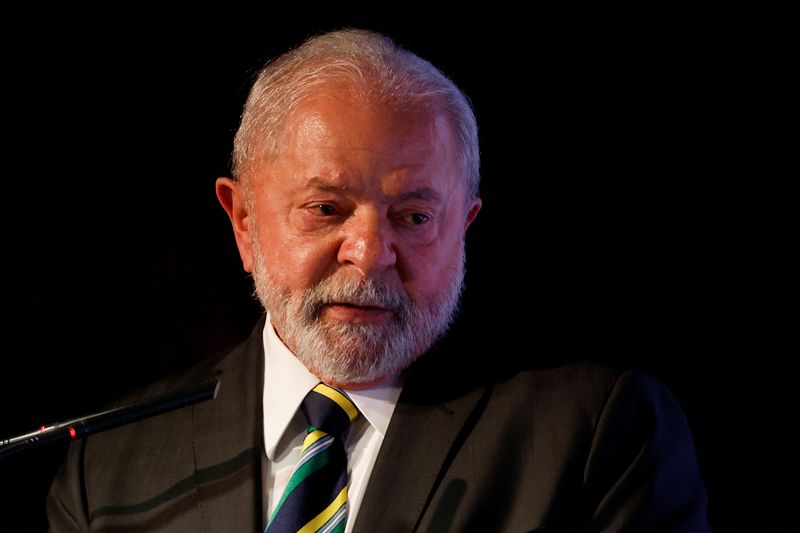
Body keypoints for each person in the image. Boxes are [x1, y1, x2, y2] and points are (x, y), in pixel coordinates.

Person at [46, 28, 711, 532]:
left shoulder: (594, 434)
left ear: (464, 225)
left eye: (414, 215)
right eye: (326, 209)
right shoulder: (109, 468)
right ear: (244, 221)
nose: (368, 254)